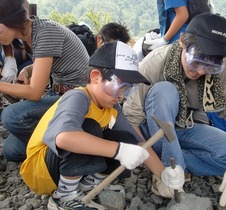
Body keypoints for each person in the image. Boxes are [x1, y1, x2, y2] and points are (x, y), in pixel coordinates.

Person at [20, 41, 185, 209]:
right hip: (41, 170)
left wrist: (163, 174)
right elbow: (64, 138)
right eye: (119, 86)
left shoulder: (113, 109)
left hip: (63, 168)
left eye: (128, 89)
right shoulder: (78, 97)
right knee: (89, 127)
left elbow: (139, 143)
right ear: (95, 76)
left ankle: (85, 187)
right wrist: (119, 150)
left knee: (126, 138)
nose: (121, 96)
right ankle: (63, 197)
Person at [123, 13, 226, 208]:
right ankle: (169, 168)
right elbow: (130, 121)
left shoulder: (225, 69)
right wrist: (159, 171)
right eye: (197, 59)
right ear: (182, 42)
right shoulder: (156, 62)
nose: (200, 71)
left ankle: (173, 159)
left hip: (187, 126)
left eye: (210, 65)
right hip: (153, 129)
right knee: (164, 91)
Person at [0, 0, 89, 162]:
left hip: (80, 97)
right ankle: (63, 142)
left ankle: (73, 146)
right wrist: (27, 70)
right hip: (60, 94)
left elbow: (35, 93)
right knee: (10, 150)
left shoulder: (46, 32)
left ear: (11, 19)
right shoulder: (28, 35)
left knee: (11, 116)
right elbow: (46, 60)